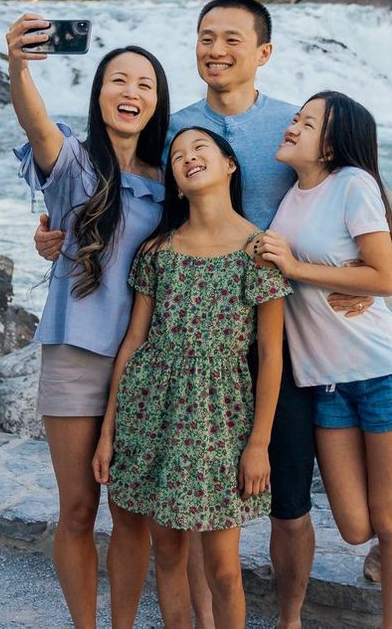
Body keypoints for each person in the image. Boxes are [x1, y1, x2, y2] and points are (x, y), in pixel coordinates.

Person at [35, 0, 370, 629]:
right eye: (205, 38)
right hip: (176, 343)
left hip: (276, 324)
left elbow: (353, 193)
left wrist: (362, 278)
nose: (216, 50)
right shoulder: (172, 131)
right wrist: (56, 229)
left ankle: (291, 618)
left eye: (232, 39)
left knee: (286, 496)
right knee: (178, 524)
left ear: (262, 52)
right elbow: (116, 189)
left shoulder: (292, 124)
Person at [6, 16, 167, 629]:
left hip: (147, 362)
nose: (131, 92)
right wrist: (19, 66)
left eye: (145, 84)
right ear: (100, 94)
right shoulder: (73, 163)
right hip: (76, 353)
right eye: (118, 80)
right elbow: (34, 122)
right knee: (77, 509)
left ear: (157, 102)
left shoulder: (174, 178)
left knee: (133, 514)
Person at [94, 127, 288, 629]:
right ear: (176, 183)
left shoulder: (258, 250)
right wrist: (108, 431)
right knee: (170, 554)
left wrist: (259, 445)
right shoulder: (158, 252)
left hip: (219, 421)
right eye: (178, 155)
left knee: (224, 568)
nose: (188, 157)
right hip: (151, 413)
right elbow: (133, 343)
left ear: (230, 166)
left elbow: (271, 357)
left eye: (201, 148)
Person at [256, 91, 392, 629]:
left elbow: (384, 278)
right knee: (355, 527)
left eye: (307, 123)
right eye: (295, 118)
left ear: (330, 144)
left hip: (381, 374)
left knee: (388, 520)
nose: (292, 126)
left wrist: (300, 268)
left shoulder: (353, 184)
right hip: (325, 382)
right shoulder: (290, 198)